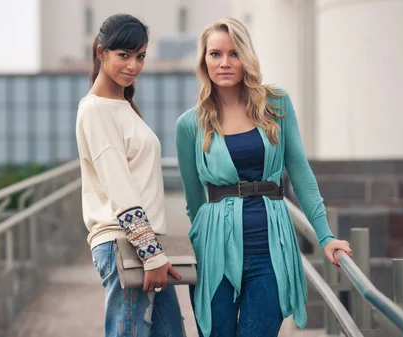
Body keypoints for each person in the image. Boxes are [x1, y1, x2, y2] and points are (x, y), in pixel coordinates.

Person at [175, 18, 353, 337]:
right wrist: (203, 242)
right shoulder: (189, 124)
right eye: (215, 54)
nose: (225, 62)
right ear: (204, 60)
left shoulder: (275, 104)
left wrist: (326, 236)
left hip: (270, 252)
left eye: (234, 54)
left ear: (247, 57)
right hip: (215, 253)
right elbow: (193, 200)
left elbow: (300, 174)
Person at [75, 13, 185, 337]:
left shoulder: (122, 106)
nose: (133, 65)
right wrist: (150, 255)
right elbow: (119, 187)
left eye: (140, 57)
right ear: (101, 53)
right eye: (124, 55)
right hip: (125, 244)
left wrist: (153, 253)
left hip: (142, 245)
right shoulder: (95, 110)